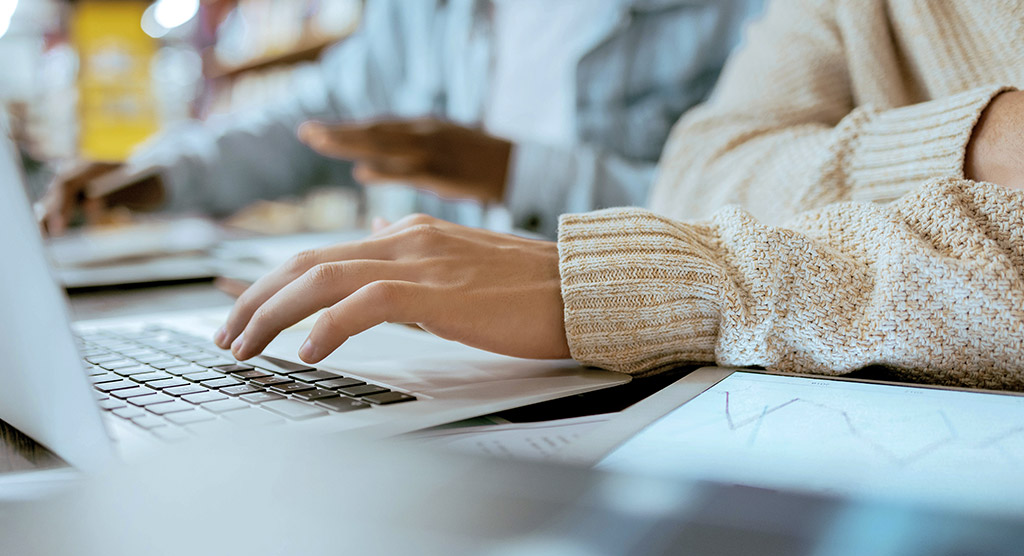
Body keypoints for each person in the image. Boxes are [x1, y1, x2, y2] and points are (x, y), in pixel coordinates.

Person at [212, 0, 1024, 391]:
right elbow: (700, 175)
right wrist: (978, 140)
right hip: (530, 334)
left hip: (667, 331)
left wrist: (640, 272)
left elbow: (681, 219)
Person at [41, 0, 763, 239]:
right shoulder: (421, 11)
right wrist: (168, 170)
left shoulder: (733, 15)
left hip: (644, 364)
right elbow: (314, 120)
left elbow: (767, 206)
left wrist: (513, 172)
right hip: (452, 362)